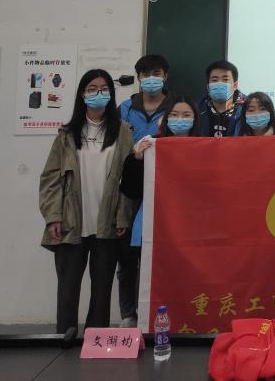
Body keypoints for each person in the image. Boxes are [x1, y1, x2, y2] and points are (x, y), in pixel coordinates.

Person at [39, 69, 134, 335]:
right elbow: (50, 179)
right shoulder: (67, 134)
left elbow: (128, 180)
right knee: (67, 288)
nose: (98, 94)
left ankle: (96, 340)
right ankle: (64, 338)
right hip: (71, 223)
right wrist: (53, 216)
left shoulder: (123, 132)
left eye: (104, 89)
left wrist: (123, 217)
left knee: (102, 289)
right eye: (92, 89)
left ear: (111, 94)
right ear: (82, 94)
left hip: (107, 224)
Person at [115, 53, 172, 327]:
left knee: (164, 259)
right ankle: (128, 316)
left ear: (165, 77)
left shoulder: (176, 108)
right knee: (127, 259)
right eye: (146, 75)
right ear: (138, 78)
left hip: (167, 193)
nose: (151, 79)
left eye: (156, 74)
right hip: (131, 191)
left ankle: (161, 317)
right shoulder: (125, 109)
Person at [121, 97, 201, 224]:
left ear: (195, 119)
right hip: (155, 219)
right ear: (166, 118)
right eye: (174, 115)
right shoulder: (151, 144)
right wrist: (137, 160)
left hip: (190, 219)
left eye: (186, 115)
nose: (180, 119)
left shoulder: (203, 148)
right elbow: (131, 191)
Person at [197, 61, 245, 137]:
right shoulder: (198, 109)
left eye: (225, 79)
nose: (220, 83)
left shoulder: (247, 108)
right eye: (214, 80)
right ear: (208, 86)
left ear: (235, 85)